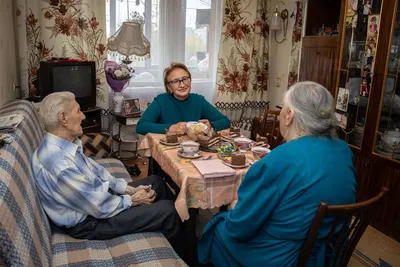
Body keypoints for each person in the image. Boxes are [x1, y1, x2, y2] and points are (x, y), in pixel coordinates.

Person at [197, 81, 357, 266]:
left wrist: (234, 206)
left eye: (282, 108)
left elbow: (239, 228)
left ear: (289, 115)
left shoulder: (279, 159)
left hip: (280, 256)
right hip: (327, 250)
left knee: (218, 226)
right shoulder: (343, 150)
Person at [31, 92, 182, 251]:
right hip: (89, 222)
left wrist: (127, 189)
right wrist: (134, 199)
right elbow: (99, 206)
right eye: (78, 111)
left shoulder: (65, 144)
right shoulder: (59, 163)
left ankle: (178, 230)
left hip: (93, 202)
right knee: (168, 211)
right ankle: (187, 252)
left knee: (156, 182)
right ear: (63, 118)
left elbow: (94, 171)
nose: (83, 116)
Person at [136, 62, 230, 135]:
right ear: (168, 87)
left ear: (190, 80)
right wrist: (170, 128)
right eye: (175, 81)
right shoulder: (161, 101)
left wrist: (211, 125)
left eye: (185, 79)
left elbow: (225, 122)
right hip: (167, 151)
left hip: (194, 151)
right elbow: (141, 126)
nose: (182, 85)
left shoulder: (199, 101)